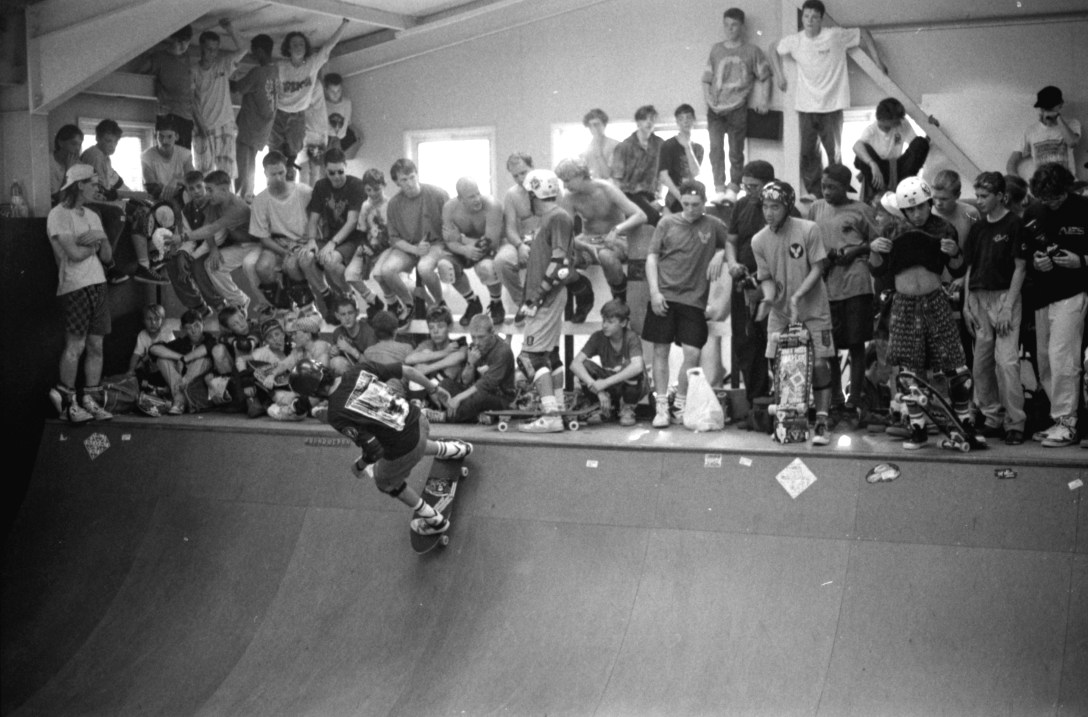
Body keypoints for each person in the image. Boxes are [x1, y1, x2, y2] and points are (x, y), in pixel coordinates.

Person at [289, 356, 470, 537]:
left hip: (407, 446)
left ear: (313, 392)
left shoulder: (336, 413)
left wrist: (360, 465)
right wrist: (434, 389)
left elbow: (375, 451)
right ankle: (455, 449)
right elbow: (409, 371)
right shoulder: (359, 369)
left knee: (384, 482)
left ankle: (434, 520)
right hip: (420, 421)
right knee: (404, 439)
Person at [869, 176, 976, 450]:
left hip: (935, 301)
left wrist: (955, 254)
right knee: (909, 371)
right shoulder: (890, 228)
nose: (917, 213)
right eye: (911, 209)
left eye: (921, 207)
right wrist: (875, 253)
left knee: (956, 366)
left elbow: (958, 270)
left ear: (929, 203)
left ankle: (966, 424)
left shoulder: (944, 228)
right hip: (903, 303)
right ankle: (916, 428)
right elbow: (878, 271)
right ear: (902, 210)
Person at [770, 0, 885, 200]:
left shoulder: (834, 36)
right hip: (806, 106)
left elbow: (864, 32)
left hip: (832, 105)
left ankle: (837, 191)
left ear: (821, 19)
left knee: (834, 154)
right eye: (806, 16)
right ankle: (816, 193)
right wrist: (779, 75)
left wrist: (878, 62)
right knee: (807, 153)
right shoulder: (796, 40)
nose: (809, 21)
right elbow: (773, 48)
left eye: (814, 17)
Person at [752, 180, 835, 444]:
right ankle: (789, 422)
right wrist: (767, 297)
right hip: (780, 313)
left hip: (814, 310)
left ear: (787, 206)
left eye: (774, 206)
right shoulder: (758, 240)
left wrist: (799, 294)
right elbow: (765, 276)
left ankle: (821, 420)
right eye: (765, 206)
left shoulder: (808, 229)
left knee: (820, 364)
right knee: (780, 366)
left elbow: (818, 267)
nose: (769, 212)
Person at [644, 180, 728, 428]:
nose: (691, 209)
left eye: (696, 204)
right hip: (664, 296)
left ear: (704, 203)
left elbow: (733, 242)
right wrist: (654, 292)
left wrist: (720, 253)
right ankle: (661, 406)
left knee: (693, 352)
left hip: (693, 300)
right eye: (686, 204)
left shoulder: (713, 225)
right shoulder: (666, 223)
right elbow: (652, 257)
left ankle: (679, 402)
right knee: (661, 350)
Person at [1020, 163, 1087, 448]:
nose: (1050, 204)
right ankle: (1058, 417)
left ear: (1067, 189)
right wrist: (1038, 262)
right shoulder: (1033, 212)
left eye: (1056, 198)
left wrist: (1081, 261)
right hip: (1042, 295)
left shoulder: (1084, 208)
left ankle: (1068, 422)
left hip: (1073, 293)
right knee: (1045, 359)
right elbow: (1026, 256)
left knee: (1064, 357)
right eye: (1045, 199)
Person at [959, 172, 1027, 445]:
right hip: (978, 296)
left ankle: (1016, 422)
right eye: (977, 196)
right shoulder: (977, 227)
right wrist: (965, 304)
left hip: (1004, 297)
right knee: (981, 364)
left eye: (985, 196)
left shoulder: (1014, 224)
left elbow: (1021, 268)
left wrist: (1008, 307)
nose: (980, 201)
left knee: (1007, 362)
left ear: (1001, 196)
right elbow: (970, 267)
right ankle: (992, 417)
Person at [46, 164, 116, 423]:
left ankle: (90, 400)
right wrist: (93, 245)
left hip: (99, 283)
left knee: (96, 345)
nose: (97, 188)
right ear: (79, 185)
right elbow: (74, 255)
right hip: (74, 286)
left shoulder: (93, 215)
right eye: (93, 183)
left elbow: (107, 257)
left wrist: (100, 243)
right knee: (75, 345)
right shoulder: (58, 215)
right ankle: (67, 402)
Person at [724, 160, 798, 404]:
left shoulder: (786, 210)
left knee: (777, 341)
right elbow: (731, 241)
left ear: (770, 184)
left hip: (774, 288)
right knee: (747, 344)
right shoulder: (741, 205)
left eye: (754, 186)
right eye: (745, 186)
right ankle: (757, 404)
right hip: (744, 285)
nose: (749, 191)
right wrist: (733, 263)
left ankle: (786, 402)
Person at [807, 164, 877, 419]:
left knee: (856, 344)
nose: (826, 191)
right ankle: (835, 397)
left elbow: (878, 242)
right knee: (829, 346)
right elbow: (808, 243)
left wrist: (856, 251)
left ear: (846, 187)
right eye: (824, 186)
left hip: (856, 285)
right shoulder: (816, 208)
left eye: (832, 188)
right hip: (826, 286)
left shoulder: (862, 210)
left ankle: (854, 399)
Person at [518, 168, 575, 433]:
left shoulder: (557, 217)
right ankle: (558, 409)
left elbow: (559, 264)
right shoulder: (551, 218)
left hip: (546, 297)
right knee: (549, 353)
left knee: (530, 357)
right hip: (544, 296)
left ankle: (551, 415)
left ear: (533, 194)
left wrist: (536, 297)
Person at [555, 156, 646, 321]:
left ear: (581, 175)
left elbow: (640, 215)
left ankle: (620, 300)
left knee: (606, 257)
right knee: (559, 261)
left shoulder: (606, 189)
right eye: (562, 181)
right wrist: (583, 245)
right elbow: (564, 234)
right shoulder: (569, 197)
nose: (565, 185)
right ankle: (583, 294)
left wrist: (617, 229)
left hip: (614, 240)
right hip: (589, 240)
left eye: (567, 180)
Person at [81, 119, 165, 284]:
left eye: (115, 142)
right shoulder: (95, 155)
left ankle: (150, 258)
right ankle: (138, 265)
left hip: (102, 198)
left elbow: (117, 183)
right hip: (91, 201)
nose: (112, 145)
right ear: (97, 138)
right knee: (140, 212)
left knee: (144, 207)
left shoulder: (105, 158)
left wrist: (140, 196)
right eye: (108, 141)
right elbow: (104, 192)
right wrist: (138, 197)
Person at [702, 7, 772, 203]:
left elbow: (766, 77)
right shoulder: (716, 49)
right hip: (715, 109)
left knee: (735, 150)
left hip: (737, 106)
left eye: (734, 25)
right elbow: (706, 79)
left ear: (741, 26)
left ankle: (733, 188)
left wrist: (764, 101)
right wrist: (708, 99)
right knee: (715, 149)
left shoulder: (752, 51)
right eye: (726, 25)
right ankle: (718, 189)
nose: (730, 29)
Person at [373, 158, 450, 327]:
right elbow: (393, 238)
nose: (409, 183)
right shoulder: (394, 204)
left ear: (417, 174)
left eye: (412, 177)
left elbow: (451, 225)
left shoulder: (438, 194)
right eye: (404, 180)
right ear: (396, 183)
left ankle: (439, 304)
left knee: (424, 268)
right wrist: (415, 249)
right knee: (387, 270)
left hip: (435, 244)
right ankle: (409, 304)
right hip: (408, 247)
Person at [270, 20, 350, 165]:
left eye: (301, 44)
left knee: (295, 149)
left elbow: (328, 47)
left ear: (305, 47)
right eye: (294, 45)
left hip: (298, 114)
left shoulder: (312, 64)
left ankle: (290, 173)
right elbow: (269, 88)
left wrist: (344, 24)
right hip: (279, 112)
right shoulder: (280, 67)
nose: (298, 47)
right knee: (275, 150)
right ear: (288, 48)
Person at [304, 147, 366, 324]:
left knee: (330, 261)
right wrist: (311, 241)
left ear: (346, 166)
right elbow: (313, 218)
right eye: (331, 173)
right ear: (325, 170)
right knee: (306, 258)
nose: (336, 177)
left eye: (340, 171)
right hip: (330, 237)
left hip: (352, 238)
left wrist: (332, 243)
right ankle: (327, 295)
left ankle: (348, 295)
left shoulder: (356, 185)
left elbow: (352, 221)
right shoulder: (321, 186)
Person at [248, 150, 315, 314]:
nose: (278, 178)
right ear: (265, 173)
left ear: (287, 170)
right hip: (276, 242)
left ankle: (307, 306)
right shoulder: (260, 200)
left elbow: (317, 219)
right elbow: (264, 238)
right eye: (273, 174)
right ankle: (283, 305)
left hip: (302, 241)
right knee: (262, 267)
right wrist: (285, 252)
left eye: (281, 172)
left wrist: (309, 241)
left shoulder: (304, 192)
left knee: (292, 265)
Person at [182, 170, 255, 314]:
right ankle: (239, 301)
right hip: (239, 246)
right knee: (211, 264)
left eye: (209, 190)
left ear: (224, 189)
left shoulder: (237, 207)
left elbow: (211, 229)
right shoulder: (214, 204)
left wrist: (182, 238)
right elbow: (208, 227)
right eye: (206, 189)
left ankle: (241, 302)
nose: (206, 194)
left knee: (208, 264)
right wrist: (213, 249)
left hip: (254, 246)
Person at [440, 177, 506, 325]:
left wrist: (461, 239)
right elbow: (449, 239)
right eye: (471, 197)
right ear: (460, 199)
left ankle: (496, 303)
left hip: (486, 251)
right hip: (462, 251)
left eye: (478, 194)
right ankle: (472, 302)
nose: (477, 199)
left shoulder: (492, 206)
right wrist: (464, 249)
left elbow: (491, 243)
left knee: (487, 268)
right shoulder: (449, 208)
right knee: (445, 265)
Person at [570, 299, 646, 427]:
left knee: (632, 367)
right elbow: (575, 364)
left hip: (625, 386)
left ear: (623, 323)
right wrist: (597, 389)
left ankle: (628, 407)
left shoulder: (631, 337)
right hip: (607, 386)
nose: (604, 325)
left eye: (610, 322)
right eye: (603, 320)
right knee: (584, 366)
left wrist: (604, 383)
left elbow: (638, 366)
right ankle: (605, 407)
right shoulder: (598, 337)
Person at [191, 20, 248, 178]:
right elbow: (191, 101)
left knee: (226, 174)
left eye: (215, 49)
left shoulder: (222, 65)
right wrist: (200, 126)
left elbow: (244, 48)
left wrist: (230, 28)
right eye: (209, 49)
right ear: (201, 47)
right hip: (203, 127)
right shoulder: (193, 71)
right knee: (203, 173)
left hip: (225, 125)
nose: (212, 53)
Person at [852, 97, 930, 201]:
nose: (899, 122)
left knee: (921, 142)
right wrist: (873, 164)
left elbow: (916, 146)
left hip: (899, 167)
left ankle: (904, 187)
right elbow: (856, 146)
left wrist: (930, 130)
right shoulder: (871, 131)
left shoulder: (902, 123)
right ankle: (881, 191)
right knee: (860, 155)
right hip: (879, 170)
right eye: (895, 120)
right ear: (883, 120)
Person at [232, 33, 278, 199]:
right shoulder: (275, 71)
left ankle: (242, 200)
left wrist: (225, 77)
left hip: (249, 128)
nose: (252, 55)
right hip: (262, 130)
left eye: (253, 51)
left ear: (260, 51)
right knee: (249, 168)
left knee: (242, 170)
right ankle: (246, 197)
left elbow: (237, 87)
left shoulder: (258, 73)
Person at [494, 153, 539, 314]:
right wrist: (519, 246)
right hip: (521, 240)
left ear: (532, 167)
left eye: (523, 172)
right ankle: (523, 303)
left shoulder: (550, 186)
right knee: (501, 262)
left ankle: (539, 302)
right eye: (515, 176)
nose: (521, 178)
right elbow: (510, 229)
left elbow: (560, 222)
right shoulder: (512, 195)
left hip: (545, 240)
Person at [149, 308, 216, 415]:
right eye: (189, 328)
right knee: (162, 360)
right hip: (179, 384)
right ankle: (180, 400)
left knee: (203, 359)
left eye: (197, 326)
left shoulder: (210, 338)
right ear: (183, 329)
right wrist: (180, 357)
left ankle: (180, 400)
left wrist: (185, 359)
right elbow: (153, 349)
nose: (194, 331)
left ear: (203, 323)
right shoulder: (182, 343)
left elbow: (206, 348)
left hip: (200, 387)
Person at [1007, 86, 1082, 177]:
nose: (1046, 110)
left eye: (1050, 107)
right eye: (1044, 107)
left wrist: (1058, 118)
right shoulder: (1031, 131)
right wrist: (1019, 183)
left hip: (1067, 185)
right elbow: (1012, 162)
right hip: (1043, 187)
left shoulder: (1072, 124)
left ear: (1061, 104)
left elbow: (1072, 142)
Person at [344, 168, 389, 318]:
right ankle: (373, 300)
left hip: (386, 248)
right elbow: (361, 231)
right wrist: (364, 246)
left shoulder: (390, 205)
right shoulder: (365, 206)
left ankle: (394, 303)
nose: (373, 193)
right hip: (368, 246)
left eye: (377, 189)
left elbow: (392, 234)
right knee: (350, 274)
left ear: (384, 185)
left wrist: (376, 248)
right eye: (369, 190)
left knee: (380, 275)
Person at [611, 104, 664, 226]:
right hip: (629, 195)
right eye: (645, 119)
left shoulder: (660, 144)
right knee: (654, 218)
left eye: (652, 119)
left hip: (651, 195)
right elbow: (617, 180)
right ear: (638, 122)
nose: (649, 122)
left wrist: (659, 199)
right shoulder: (624, 146)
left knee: (663, 218)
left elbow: (663, 175)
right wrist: (622, 205)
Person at [143, 25, 195, 148]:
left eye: (186, 43)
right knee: (167, 154)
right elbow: (140, 70)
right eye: (179, 42)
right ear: (172, 39)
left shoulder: (186, 56)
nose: (183, 46)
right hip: (169, 114)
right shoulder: (159, 57)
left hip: (186, 115)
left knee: (184, 155)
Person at [406, 305, 469, 407]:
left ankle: (427, 401)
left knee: (453, 365)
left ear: (449, 327)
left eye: (440, 326)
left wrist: (427, 369)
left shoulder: (458, 343)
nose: (435, 331)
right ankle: (417, 404)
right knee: (425, 354)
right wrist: (444, 352)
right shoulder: (428, 344)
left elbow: (460, 356)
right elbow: (409, 359)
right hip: (428, 390)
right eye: (431, 328)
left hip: (449, 391)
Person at [658, 104, 705, 214]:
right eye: (681, 119)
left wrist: (688, 148)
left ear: (694, 120)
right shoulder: (668, 145)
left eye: (688, 118)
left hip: (692, 194)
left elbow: (695, 172)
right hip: (674, 196)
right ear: (677, 122)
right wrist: (680, 197)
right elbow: (663, 176)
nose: (685, 121)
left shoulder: (698, 148)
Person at [141, 116, 194, 202]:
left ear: (176, 137)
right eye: (161, 137)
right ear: (155, 137)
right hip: (157, 201)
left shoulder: (185, 154)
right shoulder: (147, 156)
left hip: (182, 200)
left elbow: (193, 180)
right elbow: (152, 188)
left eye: (169, 137)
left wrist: (176, 180)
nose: (165, 141)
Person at [328, 296, 377, 375]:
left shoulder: (369, 333)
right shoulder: (337, 333)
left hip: (369, 373)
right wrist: (334, 352)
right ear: (337, 316)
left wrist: (351, 350)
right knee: (335, 361)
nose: (347, 318)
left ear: (357, 313)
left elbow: (373, 366)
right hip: (352, 370)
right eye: (343, 314)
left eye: (350, 313)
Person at [323, 73, 359, 156]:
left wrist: (356, 131)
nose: (336, 94)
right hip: (327, 138)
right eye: (332, 91)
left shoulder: (347, 103)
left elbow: (348, 121)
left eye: (338, 90)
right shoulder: (323, 104)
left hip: (341, 137)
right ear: (326, 90)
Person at [580, 108, 620, 180]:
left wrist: (599, 154)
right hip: (592, 189)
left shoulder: (616, 146)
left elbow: (608, 175)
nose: (593, 128)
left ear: (604, 125)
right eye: (590, 125)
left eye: (596, 124)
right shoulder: (586, 149)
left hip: (611, 188)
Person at [50, 125, 84, 205]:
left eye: (79, 145)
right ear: (61, 143)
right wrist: (69, 171)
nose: (77, 149)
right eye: (73, 144)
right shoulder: (48, 163)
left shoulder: (78, 163)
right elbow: (57, 198)